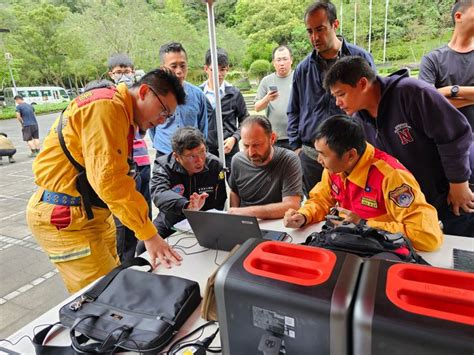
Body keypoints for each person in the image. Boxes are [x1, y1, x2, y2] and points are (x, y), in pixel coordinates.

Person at [26, 68, 186, 293]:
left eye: (168, 116)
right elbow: (110, 181)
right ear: (143, 91)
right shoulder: (107, 107)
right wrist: (149, 235)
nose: (162, 121)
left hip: (91, 215)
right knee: (103, 296)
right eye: (163, 110)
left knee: (113, 284)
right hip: (67, 218)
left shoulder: (119, 111)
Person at [324, 56, 474, 237]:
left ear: (362, 84)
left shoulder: (412, 93)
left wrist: (458, 183)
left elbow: (454, 135)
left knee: (456, 251)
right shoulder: (359, 121)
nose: (337, 103)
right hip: (410, 201)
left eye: (341, 94)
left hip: (450, 193)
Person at [284, 115, 443, 252]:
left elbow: (427, 236)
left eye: (323, 155)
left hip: (380, 251)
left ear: (351, 155)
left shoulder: (392, 177)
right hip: (346, 242)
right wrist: (304, 215)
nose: (318, 160)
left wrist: (364, 225)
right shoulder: (335, 168)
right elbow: (321, 200)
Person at [287, 1, 376, 196]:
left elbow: (373, 103)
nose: (315, 37)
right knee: (316, 210)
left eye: (320, 29)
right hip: (311, 156)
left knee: (352, 215)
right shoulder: (303, 68)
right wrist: (296, 148)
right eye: (309, 31)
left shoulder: (360, 58)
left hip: (350, 157)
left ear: (335, 25)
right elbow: (293, 109)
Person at [418, 0, 474, 183]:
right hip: (444, 147)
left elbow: (435, 99)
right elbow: (424, 103)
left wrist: (450, 91)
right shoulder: (433, 60)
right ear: (459, 16)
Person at [106, 53, 153, 262]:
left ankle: (146, 254)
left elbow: (141, 131)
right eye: (119, 72)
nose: (124, 75)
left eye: (127, 71)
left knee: (144, 210)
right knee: (125, 219)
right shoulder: (111, 100)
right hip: (123, 167)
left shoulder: (136, 96)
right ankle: (126, 261)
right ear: (111, 74)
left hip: (142, 162)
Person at [150, 127, 227, 238]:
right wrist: (187, 205)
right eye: (191, 156)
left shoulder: (215, 165)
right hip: (172, 221)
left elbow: (220, 199)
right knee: (143, 246)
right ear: (176, 156)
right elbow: (158, 193)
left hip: (205, 221)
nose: (199, 160)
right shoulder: (163, 165)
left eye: (202, 152)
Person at [228, 115, 303, 219]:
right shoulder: (237, 160)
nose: (251, 153)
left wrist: (246, 212)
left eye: (256, 145)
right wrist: (234, 219)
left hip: (278, 223)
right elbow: (234, 192)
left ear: (272, 138)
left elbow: (292, 205)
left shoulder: (288, 160)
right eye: (246, 145)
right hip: (245, 224)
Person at [149, 42, 208, 157]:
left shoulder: (198, 95)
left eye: (182, 65)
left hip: (192, 156)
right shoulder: (154, 96)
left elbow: (203, 127)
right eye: (173, 66)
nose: (179, 71)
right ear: (163, 69)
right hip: (164, 154)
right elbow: (152, 129)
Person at [200, 47, 248, 170]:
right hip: (206, 152)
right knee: (212, 187)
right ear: (206, 68)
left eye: (223, 69)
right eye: (214, 70)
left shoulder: (234, 93)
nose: (219, 74)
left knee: (237, 185)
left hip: (230, 150)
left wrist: (234, 138)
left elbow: (245, 120)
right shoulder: (198, 94)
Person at [254, 45, 294, 150]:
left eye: (285, 59)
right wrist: (267, 98)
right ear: (273, 63)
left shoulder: (298, 78)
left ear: (291, 60)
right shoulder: (267, 81)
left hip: (295, 136)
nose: (282, 63)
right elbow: (257, 107)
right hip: (274, 137)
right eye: (278, 60)